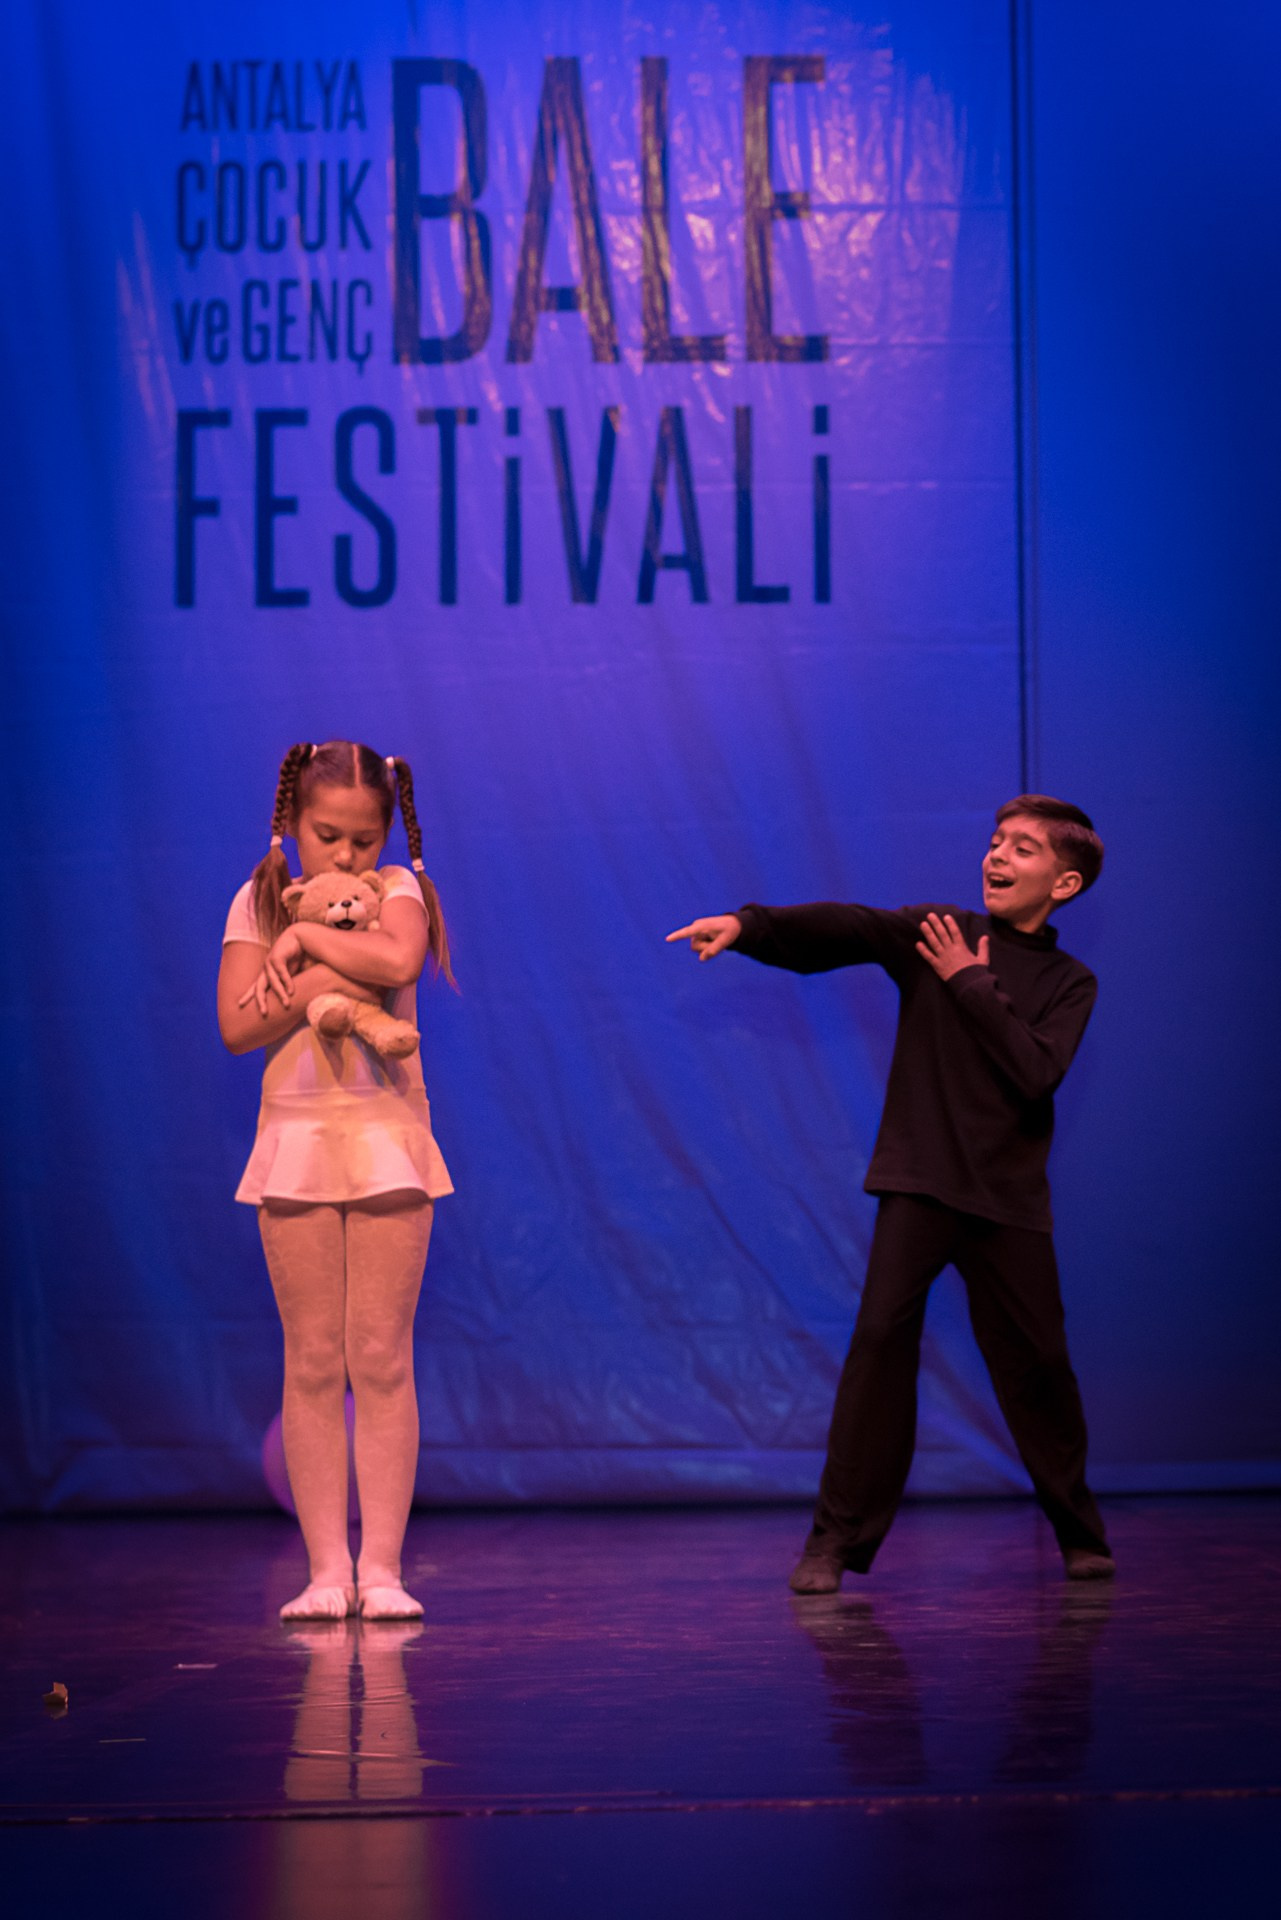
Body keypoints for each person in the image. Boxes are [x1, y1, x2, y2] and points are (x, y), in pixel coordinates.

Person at [667, 796, 1115, 1589]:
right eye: (995, 841)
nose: (997, 855)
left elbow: (1035, 1071)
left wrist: (969, 980)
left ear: (1064, 883)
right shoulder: (939, 930)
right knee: (878, 1345)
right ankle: (832, 1544)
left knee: (1039, 1364)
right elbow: (847, 928)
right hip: (920, 1182)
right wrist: (749, 926)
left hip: (1006, 1201)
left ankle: (1079, 1533)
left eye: (1022, 848)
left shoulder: (1067, 982)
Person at [217, 741, 455, 1622]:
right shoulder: (259, 899)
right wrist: (314, 953)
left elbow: (397, 964)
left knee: (381, 1357)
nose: (346, 856)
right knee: (314, 1357)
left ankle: (381, 1568)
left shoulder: (397, 891)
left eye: (362, 839)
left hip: (386, 1134)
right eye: (327, 837)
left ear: (386, 835)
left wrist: (306, 943)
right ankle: (326, 1570)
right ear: (291, 824)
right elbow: (238, 1023)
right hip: (296, 1139)